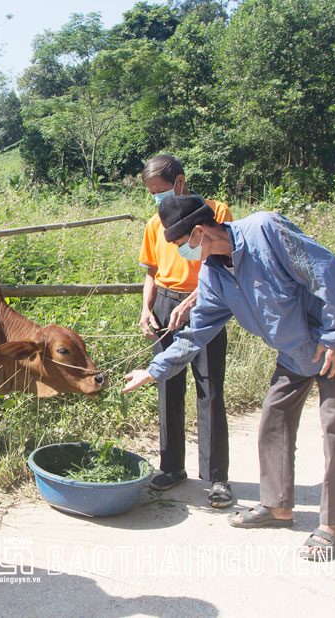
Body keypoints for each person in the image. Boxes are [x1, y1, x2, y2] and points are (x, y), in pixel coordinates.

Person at [123, 194, 335, 561]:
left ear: (197, 233)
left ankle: (332, 528)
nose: (181, 254)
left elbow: (325, 271)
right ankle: (277, 508)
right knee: (274, 420)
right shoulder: (213, 275)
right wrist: (154, 369)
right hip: (295, 353)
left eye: (180, 246)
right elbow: (198, 332)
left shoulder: (265, 231)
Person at [138, 154, 233, 508]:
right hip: (165, 303)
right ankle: (172, 467)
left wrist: (193, 301)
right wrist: (146, 308)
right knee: (167, 384)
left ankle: (216, 477)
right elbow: (151, 271)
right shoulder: (154, 223)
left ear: (180, 182)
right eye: (151, 194)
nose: (157, 199)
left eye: (160, 191)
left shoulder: (216, 213)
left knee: (209, 388)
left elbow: (221, 265)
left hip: (206, 304)